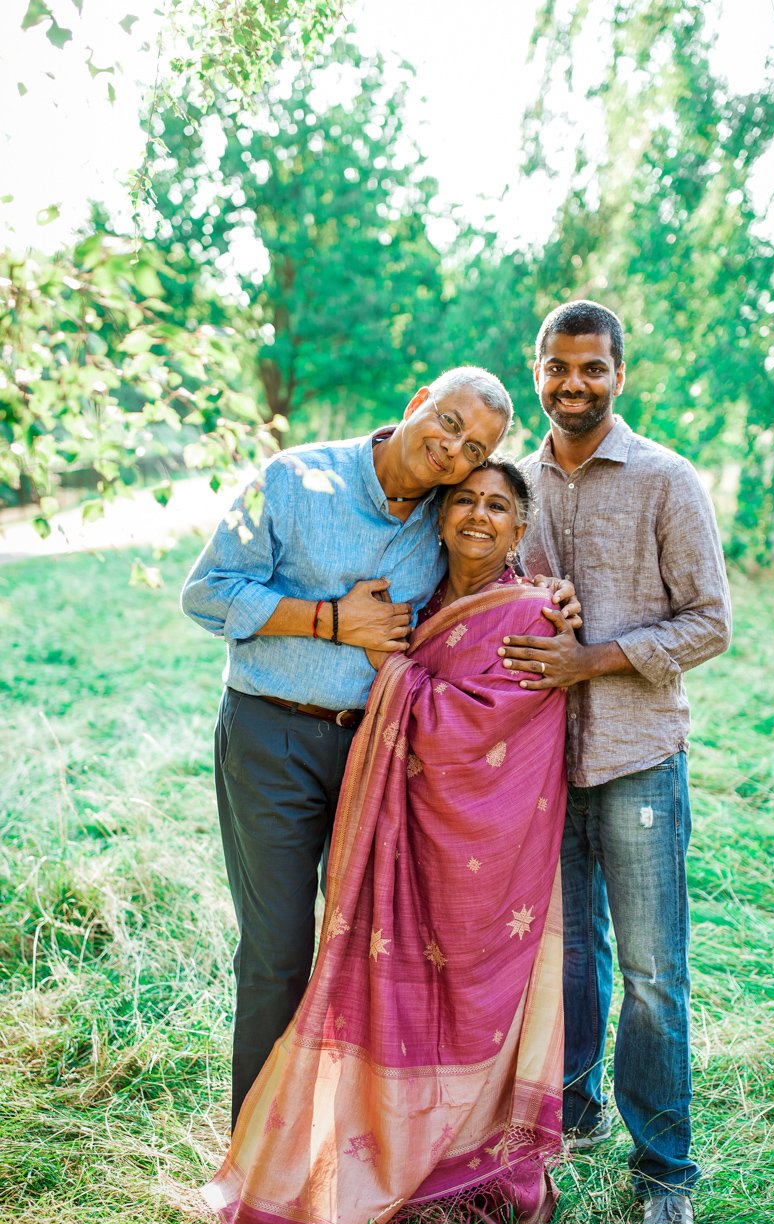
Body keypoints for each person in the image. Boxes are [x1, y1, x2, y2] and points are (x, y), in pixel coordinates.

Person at [202, 460, 568, 1224]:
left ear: (520, 530)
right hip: (368, 805)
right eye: (466, 500)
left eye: (499, 506)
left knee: (455, 988)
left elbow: (489, 724)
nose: (479, 513)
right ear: (439, 521)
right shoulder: (420, 595)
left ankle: (447, 1155)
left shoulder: (534, 611)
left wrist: (393, 672)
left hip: (476, 850)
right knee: (321, 963)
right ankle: (294, 1145)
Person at [181, 370, 574, 1130]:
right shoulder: (291, 478)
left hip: (379, 753)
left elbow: (483, 568)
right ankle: (258, 1152)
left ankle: (338, 1143)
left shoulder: (441, 508)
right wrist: (330, 621)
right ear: (415, 401)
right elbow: (205, 594)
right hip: (274, 736)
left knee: (365, 952)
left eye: (475, 447)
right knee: (278, 953)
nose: (452, 449)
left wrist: (549, 596)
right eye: (448, 422)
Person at [498, 301, 732, 1224]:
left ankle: (667, 1178)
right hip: (545, 766)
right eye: (558, 368)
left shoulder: (667, 480)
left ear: (620, 375)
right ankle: (577, 1111)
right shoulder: (513, 483)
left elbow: (709, 623)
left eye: (593, 368)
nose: (574, 384)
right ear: (537, 370)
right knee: (566, 961)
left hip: (637, 757)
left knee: (650, 975)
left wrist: (592, 662)